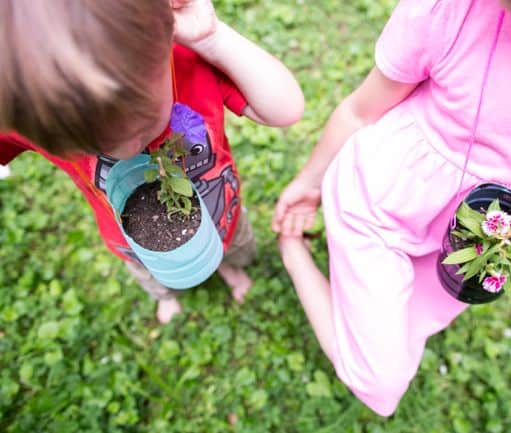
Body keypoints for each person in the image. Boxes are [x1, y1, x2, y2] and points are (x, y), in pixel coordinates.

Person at [273, 0, 511, 416]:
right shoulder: (453, 9)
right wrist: (309, 184)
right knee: (381, 379)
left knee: (413, 324)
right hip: (383, 204)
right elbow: (362, 111)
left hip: (480, 242)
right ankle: (295, 255)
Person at [0, 0, 304, 323]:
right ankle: (166, 297)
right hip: (135, 243)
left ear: (162, 49)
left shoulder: (187, 60)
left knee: (233, 247)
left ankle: (229, 268)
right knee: (153, 275)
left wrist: (211, 38)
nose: (128, 150)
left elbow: (286, 109)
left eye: (141, 126)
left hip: (221, 212)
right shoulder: (33, 112)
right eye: (94, 146)